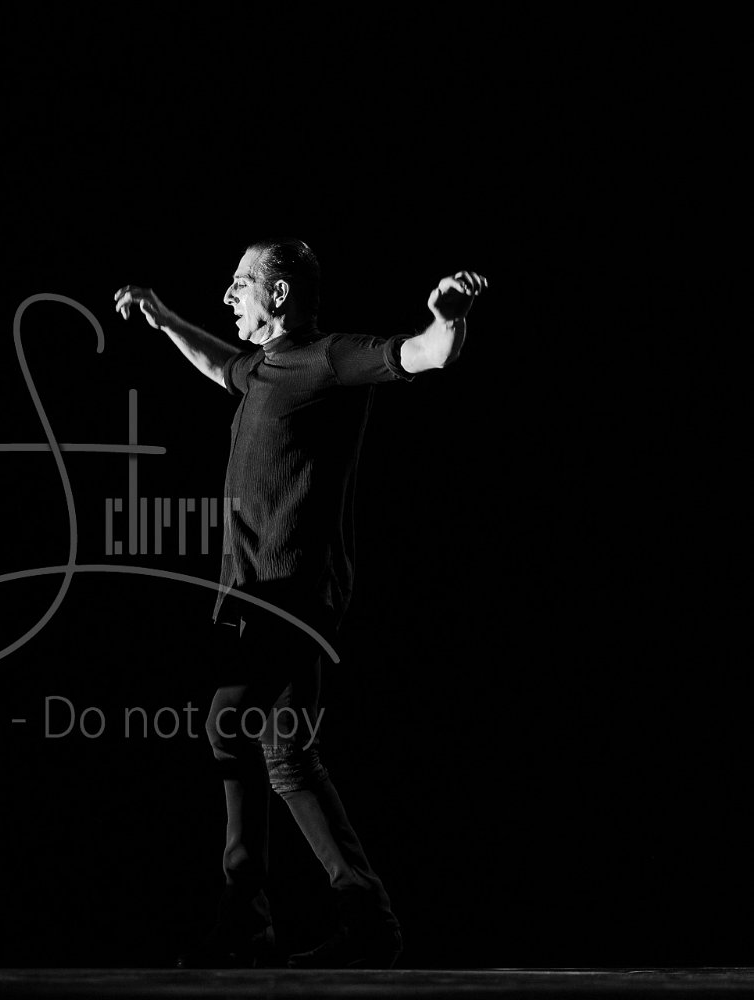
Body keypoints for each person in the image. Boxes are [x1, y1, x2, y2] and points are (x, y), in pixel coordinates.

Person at [114, 240, 485, 968]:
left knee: (228, 724)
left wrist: (450, 319)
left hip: (294, 594)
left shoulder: (327, 359)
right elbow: (219, 363)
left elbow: (423, 355)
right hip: (256, 594)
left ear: (279, 294)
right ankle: (367, 919)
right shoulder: (260, 369)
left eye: (241, 283)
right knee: (286, 753)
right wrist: (163, 320)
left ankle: (245, 917)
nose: (229, 295)